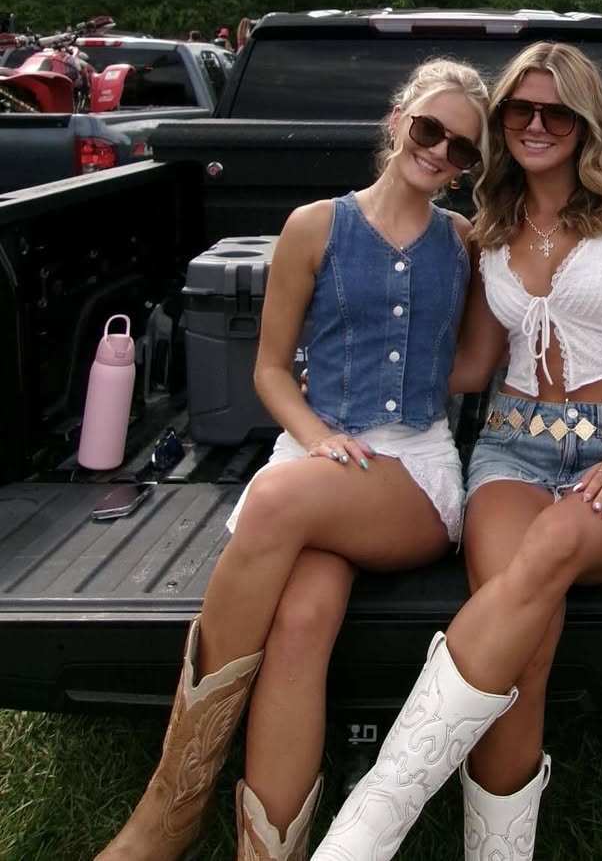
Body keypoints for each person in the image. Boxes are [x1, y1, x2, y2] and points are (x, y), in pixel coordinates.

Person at [94, 58, 490, 861]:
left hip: (413, 469)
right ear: (398, 121)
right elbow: (272, 369)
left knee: (276, 504)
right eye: (429, 129)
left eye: (462, 148)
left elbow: (478, 363)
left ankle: (166, 813)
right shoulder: (314, 227)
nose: (440, 151)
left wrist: (406, 380)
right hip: (318, 452)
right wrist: (315, 435)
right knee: (303, 620)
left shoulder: (463, 243)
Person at [311, 42, 602, 861]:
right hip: (513, 448)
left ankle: (368, 825)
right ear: (501, 121)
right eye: (521, 108)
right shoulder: (490, 230)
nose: (537, 124)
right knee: (530, 638)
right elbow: (473, 364)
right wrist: (355, 369)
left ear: (587, 122)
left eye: (558, 112)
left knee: (553, 546)